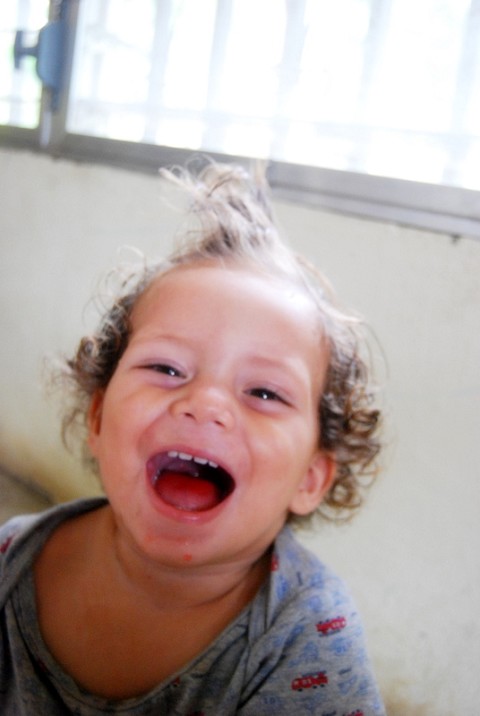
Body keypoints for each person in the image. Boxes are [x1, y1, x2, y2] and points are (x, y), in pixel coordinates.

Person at [0, 162, 385, 715]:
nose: (205, 403)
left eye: (265, 393)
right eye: (167, 368)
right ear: (99, 417)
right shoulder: (13, 558)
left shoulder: (310, 642)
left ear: (309, 478)